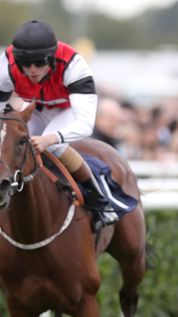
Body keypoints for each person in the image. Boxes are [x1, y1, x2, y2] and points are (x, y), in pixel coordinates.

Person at [0, 19, 118, 228]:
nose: (32, 70)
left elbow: (85, 124)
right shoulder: (6, 64)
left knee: (53, 146)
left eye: (39, 63)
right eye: (26, 64)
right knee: (11, 143)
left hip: (68, 110)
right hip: (36, 108)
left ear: (52, 58)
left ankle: (100, 201)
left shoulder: (74, 64)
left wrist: (50, 138)